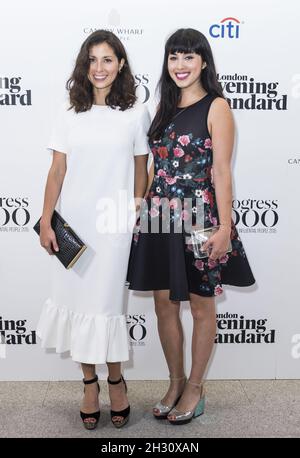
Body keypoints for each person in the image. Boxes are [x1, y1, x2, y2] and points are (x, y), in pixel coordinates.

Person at [126, 28, 255, 425]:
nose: (180, 65)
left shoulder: (217, 107)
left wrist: (225, 228)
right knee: (165, 305)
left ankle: (196, 388)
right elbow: (152, 167)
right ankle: (176, 381)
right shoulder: (163, 105)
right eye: (173, 57)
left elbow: (222, 173)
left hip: (200, 217)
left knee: (201, 306)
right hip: (159, 217)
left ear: (203, 62)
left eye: (188, 57)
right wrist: (139, 208)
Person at [37, 30, 150, 430]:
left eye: (107, 59)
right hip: (75, 226)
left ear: (120, 64)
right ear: (84, 66)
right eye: (92, 60)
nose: (99, 68)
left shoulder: (135, 113)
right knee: (80, 305)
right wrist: (47, 219)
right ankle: (89, 385)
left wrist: (134, 209)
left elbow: (142, 169)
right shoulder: (68, 113)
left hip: (113, 224)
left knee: (105, 308)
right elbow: (57, 170)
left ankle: (115, 380)